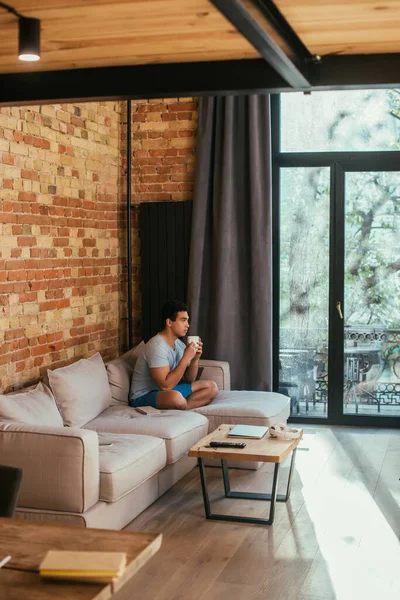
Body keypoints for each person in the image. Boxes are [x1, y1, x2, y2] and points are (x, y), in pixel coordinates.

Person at [129, 300, 219, 410]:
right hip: (144, 396)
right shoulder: (156, 347)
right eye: (183, 320)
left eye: (187, 321)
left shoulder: (179, 344)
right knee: (176, 398)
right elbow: (165, 386)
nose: (187, 325)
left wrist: (195, 359)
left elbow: (189, 379)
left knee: (212, 387)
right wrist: (186, 357)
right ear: (169, 322)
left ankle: (182, 407)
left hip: (168, 390)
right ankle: (181, 405)